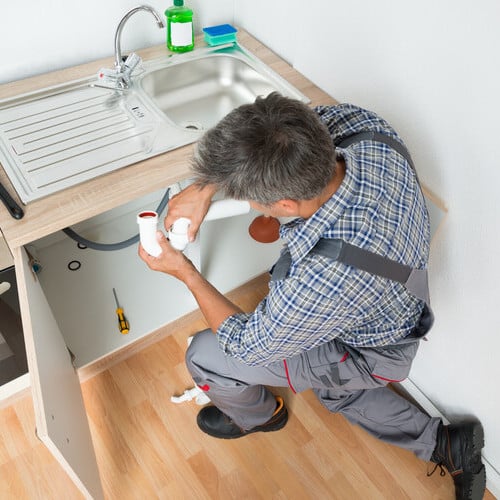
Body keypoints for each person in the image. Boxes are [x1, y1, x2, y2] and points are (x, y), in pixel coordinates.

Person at [138, 92, 485, 500]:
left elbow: (250, 346)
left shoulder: (325, 278)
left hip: (370, 353)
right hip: (388, 308)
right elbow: (278, 132)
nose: (250, 205)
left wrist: (185, 272)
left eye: (253, 200)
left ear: (285, 203)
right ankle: (447, 445)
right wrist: (204, 187)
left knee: (205, 355)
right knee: (338, 392)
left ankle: (260, 416)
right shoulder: (365, 131)